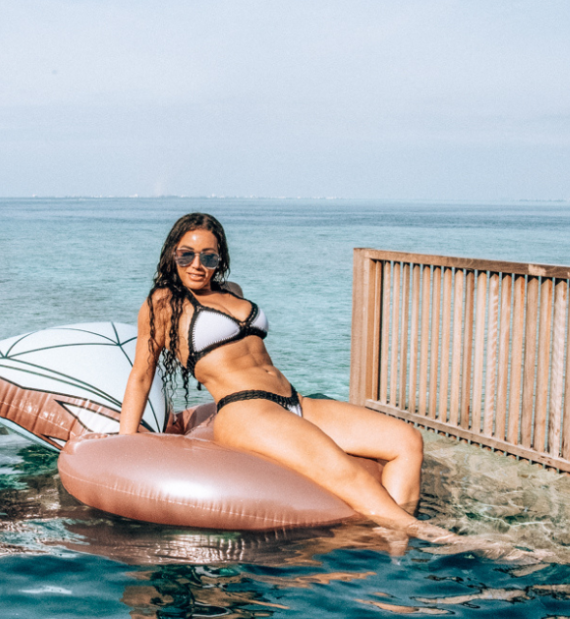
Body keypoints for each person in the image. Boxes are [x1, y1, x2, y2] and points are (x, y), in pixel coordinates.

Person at [118, 212, 505, 549]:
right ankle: (434, 537)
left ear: (220, 259)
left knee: (405, 440)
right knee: (342, 470)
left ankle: (392, 542)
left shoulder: (233, 292)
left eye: (208, 255)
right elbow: (140, 377)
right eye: (186, 254)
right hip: (244, 410)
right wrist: (126, 442)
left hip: (292, 401)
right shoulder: (163, 303)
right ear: (173, 254)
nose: (197, 264)